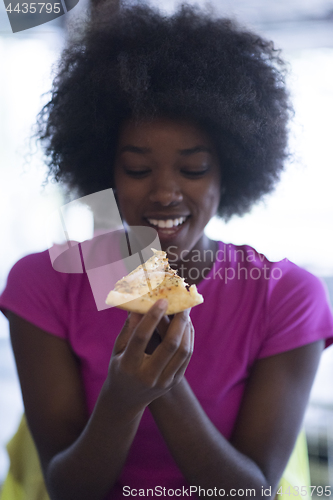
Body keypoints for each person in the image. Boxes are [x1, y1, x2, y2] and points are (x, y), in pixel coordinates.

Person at [1, 3, 333, 500]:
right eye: (137, 170)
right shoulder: (43, 282)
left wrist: (163, 384)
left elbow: (255, 492)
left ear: (230, 172)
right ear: (104, 171)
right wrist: (122, 401)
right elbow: (66, 489)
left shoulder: (287, 296)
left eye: (194, 169)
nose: (164, 193)